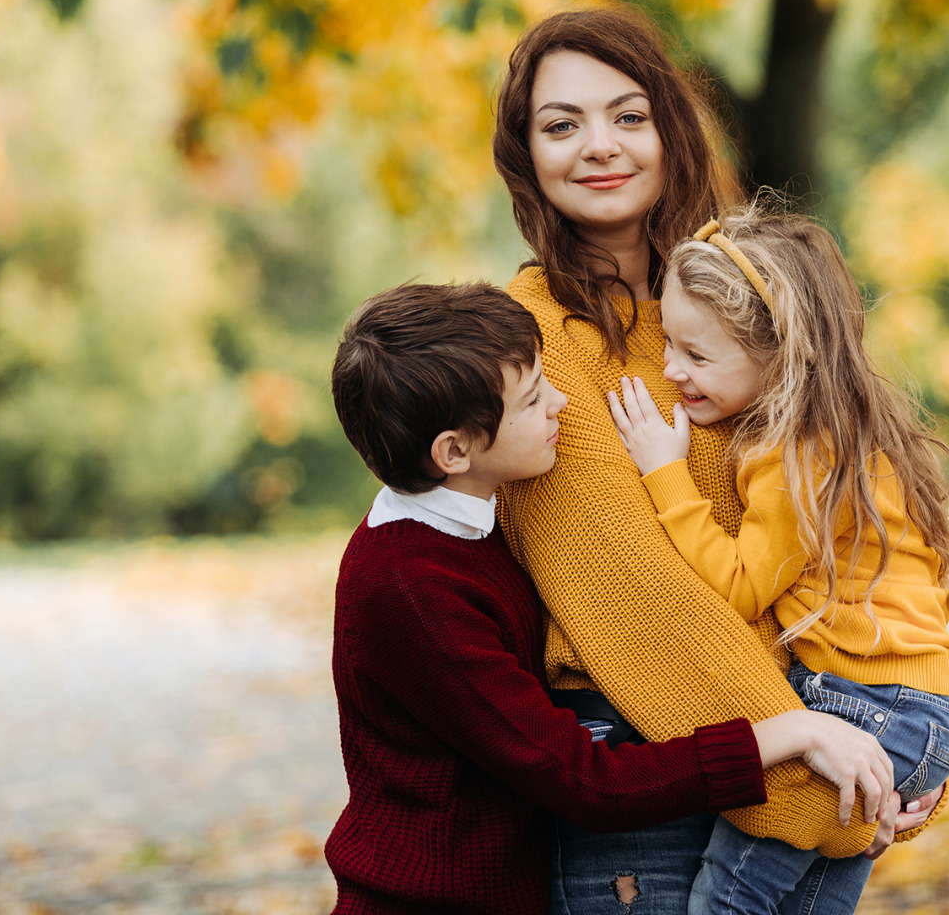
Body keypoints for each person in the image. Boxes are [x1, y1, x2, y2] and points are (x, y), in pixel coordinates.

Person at [489, 6, 948, 915]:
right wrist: (824, 766)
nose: (598, 146)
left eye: (628, 115)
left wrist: (896, 750)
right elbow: (630, 594)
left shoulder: (739, 300)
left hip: (800, 744)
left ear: (670, 127)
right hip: (651, 773)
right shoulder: (531, 339)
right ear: (525, 155)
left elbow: (858, 544)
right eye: (560, 124)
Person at [325, 282, 898, 915]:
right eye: (533, 399)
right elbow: (587, 784)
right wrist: (788, 732)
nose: (561, 404)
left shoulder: (471, 530)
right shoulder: (412, 589)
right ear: (454, 451)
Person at [607, 207, 949, 914]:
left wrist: (665, 473)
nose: (670, 368)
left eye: (697, 355)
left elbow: (742, 586)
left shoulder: (793, 451)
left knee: (728, 901)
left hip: (864, 703)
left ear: (780, 353)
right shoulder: (844, 426)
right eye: (670, 344)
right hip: (917, 710)